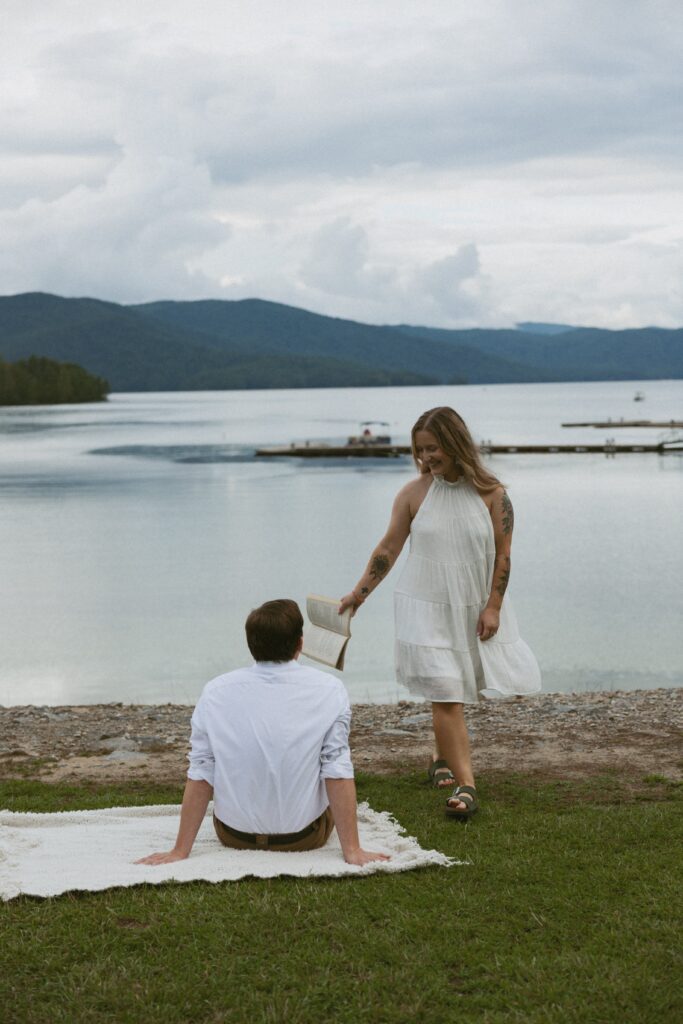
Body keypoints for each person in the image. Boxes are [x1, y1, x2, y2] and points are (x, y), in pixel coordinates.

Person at [339, 407, 541, 820]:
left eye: (432, 448)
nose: (426, 457)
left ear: (454, 443)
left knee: (456, 687)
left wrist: (494, 606)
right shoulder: (413, 494)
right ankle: (468, 786)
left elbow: (504, 556)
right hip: (425, 604)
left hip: (472, 605)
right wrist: (358, 595)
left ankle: (439, 757)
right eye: (419, 451)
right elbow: (388, 549)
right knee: (446, 690)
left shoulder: (494, 494)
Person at [137, 599, 389, 866]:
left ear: (251, 646)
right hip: (303, 837)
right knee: (328, 761)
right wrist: (352, 850)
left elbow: (201, 770)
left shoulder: (215, 691)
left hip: (234, 835)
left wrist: (180, 850)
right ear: (300, 644)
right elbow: (336, 769)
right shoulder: (329, 689)